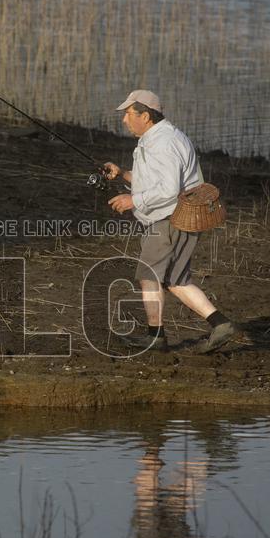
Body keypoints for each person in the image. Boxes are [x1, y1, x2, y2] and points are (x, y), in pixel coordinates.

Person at [103, 90, 235, 354]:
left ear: (146, 116)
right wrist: (122, 174)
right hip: (176, 218)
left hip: (168, 219)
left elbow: (168, 189)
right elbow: (156, 181)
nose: (125, 121)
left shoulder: (164, 142)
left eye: (129, 115)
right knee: (176, 280)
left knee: (149, 276)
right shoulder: (156, 138)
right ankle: (220, 324)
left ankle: (156, 337)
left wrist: (133, 201)